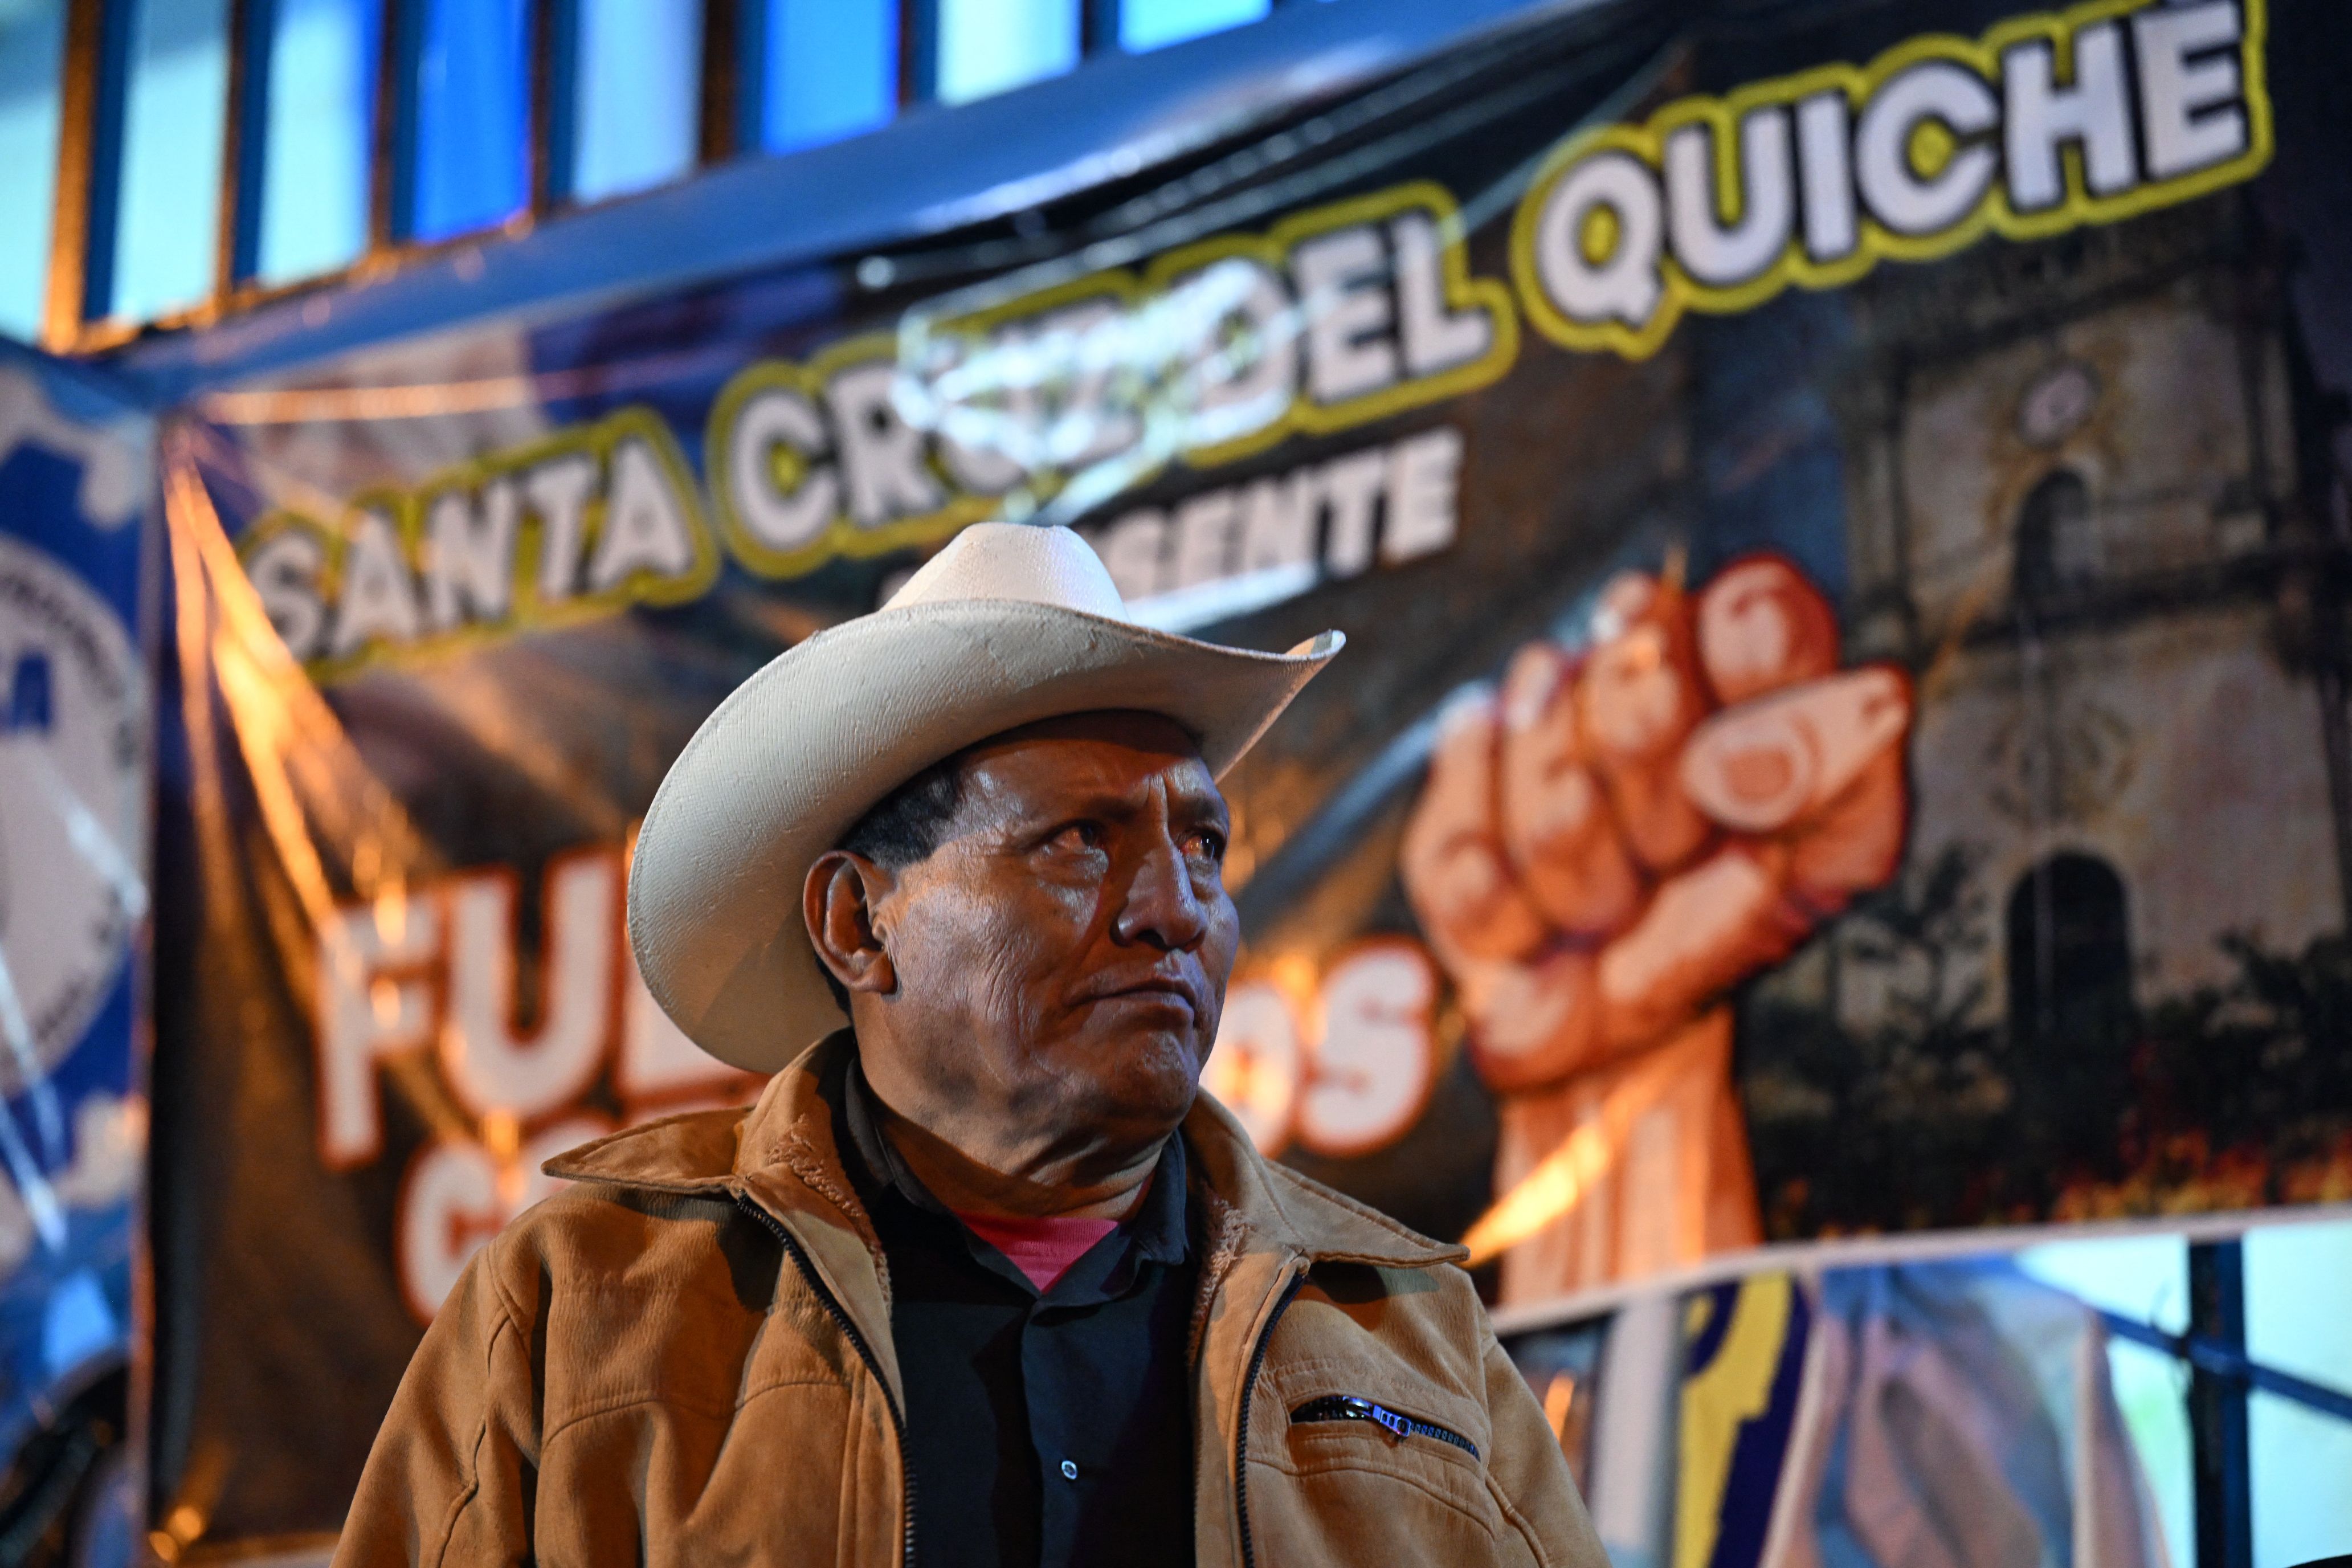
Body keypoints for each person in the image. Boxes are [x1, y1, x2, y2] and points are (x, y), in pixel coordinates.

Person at [333, 523, 1607, 1568]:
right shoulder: (579, 1306)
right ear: (858, 919)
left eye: (1202, 842)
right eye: (1080, 840)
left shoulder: (1416, 1336)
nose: (1176, 905)